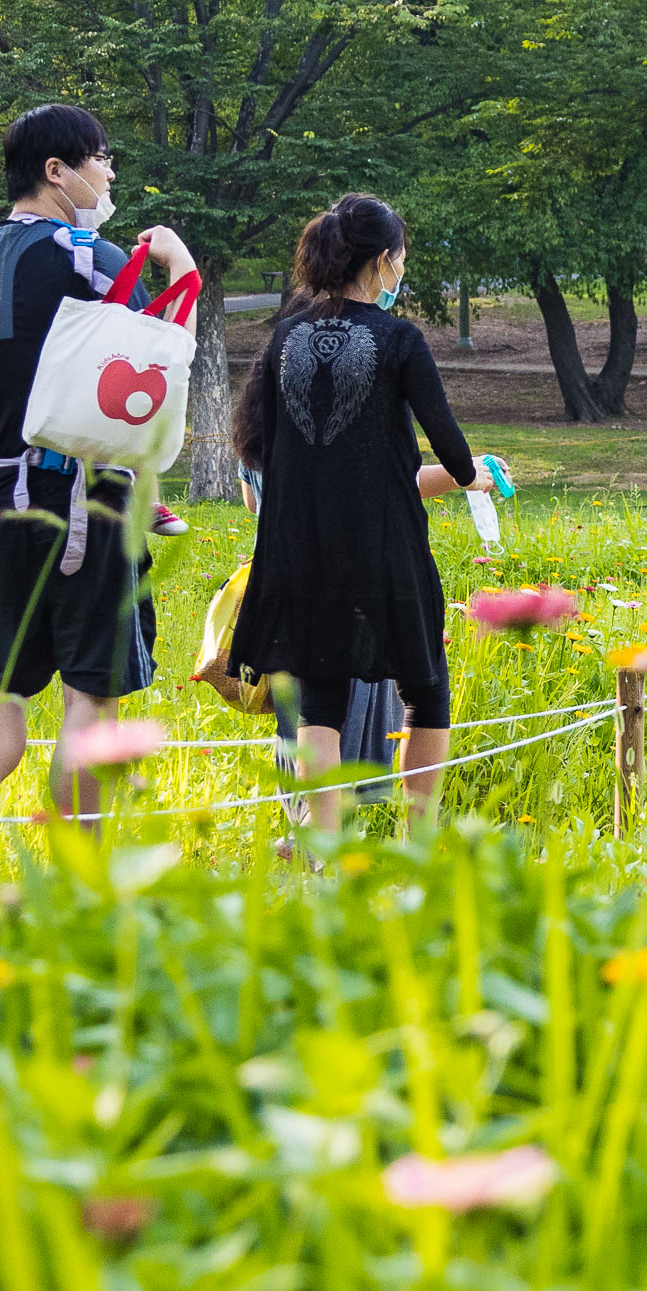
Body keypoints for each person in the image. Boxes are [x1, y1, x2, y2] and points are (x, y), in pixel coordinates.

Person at [0, 104, 196, 873]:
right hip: (89, 499)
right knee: (91, 693)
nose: (109, 175)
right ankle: (77, 886)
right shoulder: (97, 260)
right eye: (101, 160)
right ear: (58, 171)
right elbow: (153, 377)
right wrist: (179, 270)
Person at [228, 194, 491, 832]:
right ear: (380, 261)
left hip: (300, 546)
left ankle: (323, 850)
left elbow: (266, 443)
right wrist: (471, 475)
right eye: (400, 259)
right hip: (383, 546)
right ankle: (416, 843)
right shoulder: (398, 337)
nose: (402, 272)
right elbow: (450, 448)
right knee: (425, 693)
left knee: (322, 700)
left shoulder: (287, 336)